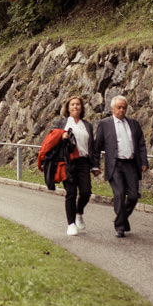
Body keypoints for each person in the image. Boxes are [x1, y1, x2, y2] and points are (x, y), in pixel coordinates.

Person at [93, 95, 146, 238]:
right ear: (112, 109)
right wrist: (95, 165)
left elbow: (141, 144)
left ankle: (121, 218)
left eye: (124, 108)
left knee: (134, 196)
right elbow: (96, 147)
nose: (121, 110)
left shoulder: (134, 124)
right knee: (120, 194)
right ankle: (120, 227)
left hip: (131, 164)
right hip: (115, 164)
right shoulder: (105, 124)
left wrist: (144, 162)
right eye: (119, 107)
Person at [54, 95, 98, 236]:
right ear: (67, 108)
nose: (75, 107)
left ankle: (79, 212)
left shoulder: (87, 126)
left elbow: (92, 147)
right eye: (72, 104)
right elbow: (51, 137)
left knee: (86, 192)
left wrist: (95, 165)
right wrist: (61, 136)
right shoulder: (62, 123)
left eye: (78, 104)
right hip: (67, 162)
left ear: (81, 108)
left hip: (83, 162)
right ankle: (71, 224)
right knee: (71, 192)